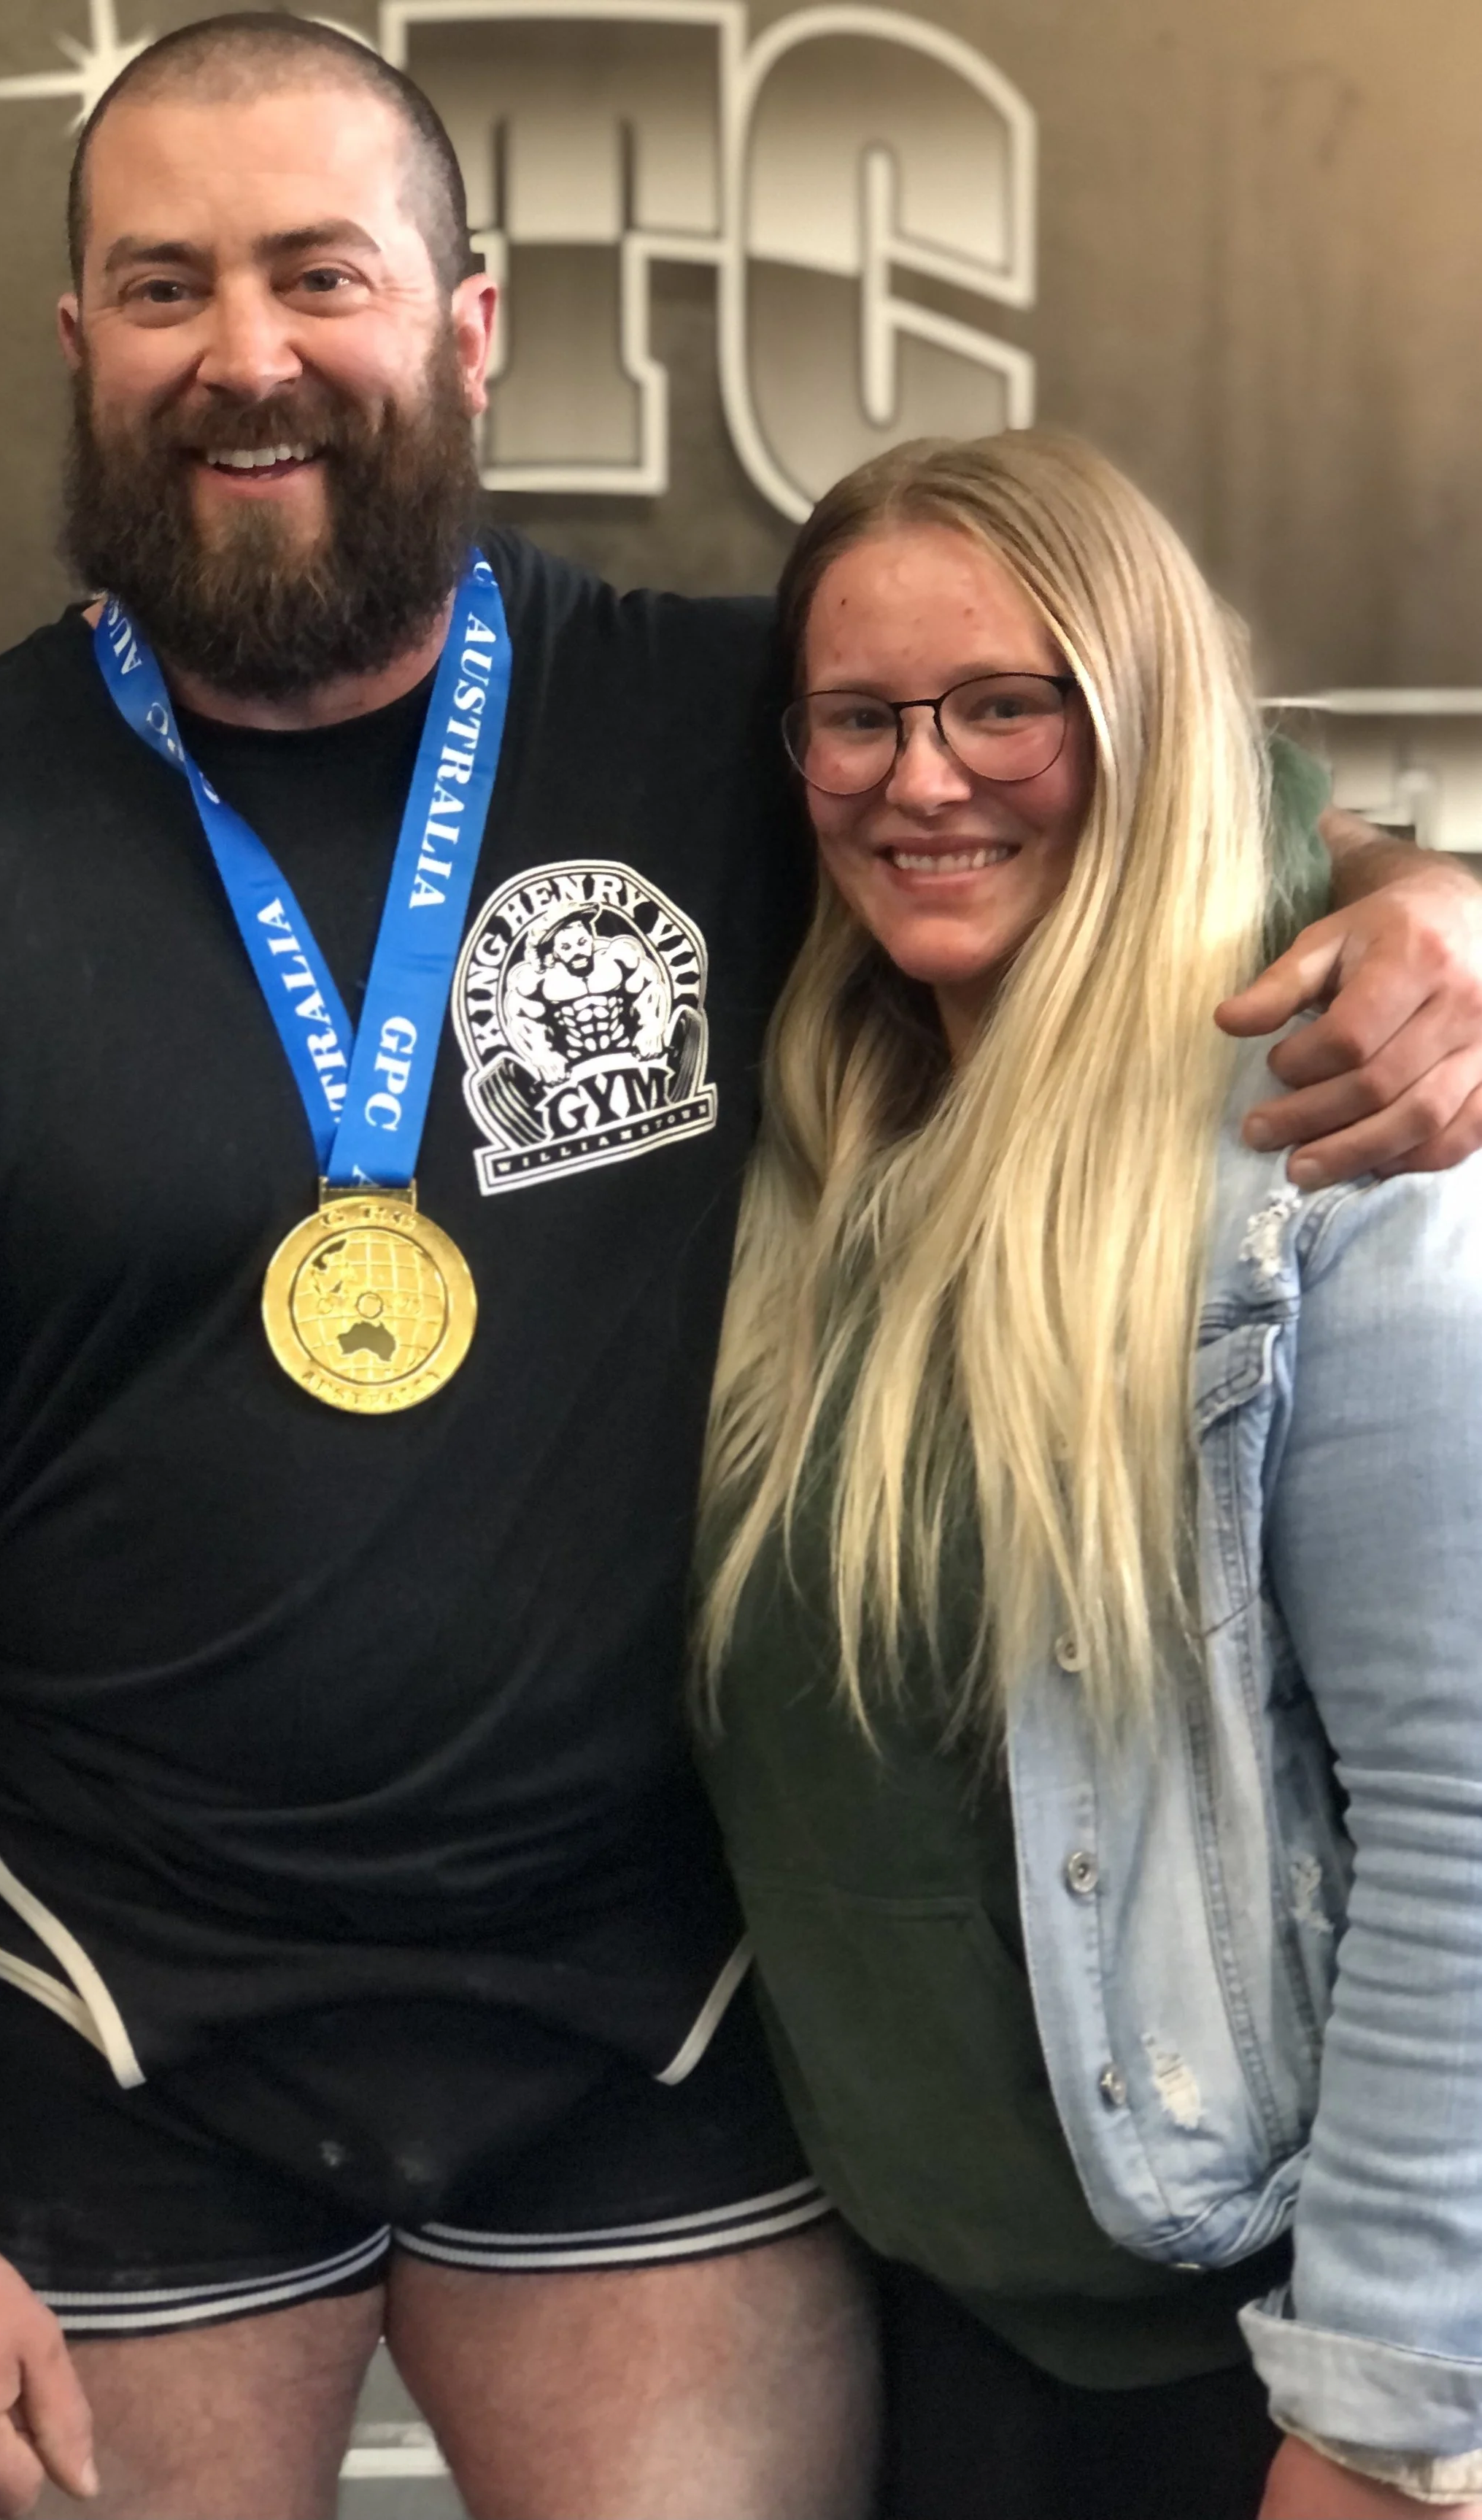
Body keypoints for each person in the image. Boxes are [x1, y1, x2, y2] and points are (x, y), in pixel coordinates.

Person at [0, 14, 1477, 2519]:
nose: (250, 353)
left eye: (322, 272)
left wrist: (1437, 912)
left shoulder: (755, 734)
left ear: (470, 321)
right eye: (163, 287)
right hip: (114, 2012)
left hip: (665, 2013)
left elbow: (1201, 837)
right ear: (80, 347)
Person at [693, 428, 1482, 2520]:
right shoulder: (809, 1154)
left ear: (1135, 722)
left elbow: (1462, 1807)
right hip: (934, 2336)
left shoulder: (1323, 1146)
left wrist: (1383, 2413)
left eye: (1001, 705)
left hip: (1264, 2370)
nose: (918, 777)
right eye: (854, 717)